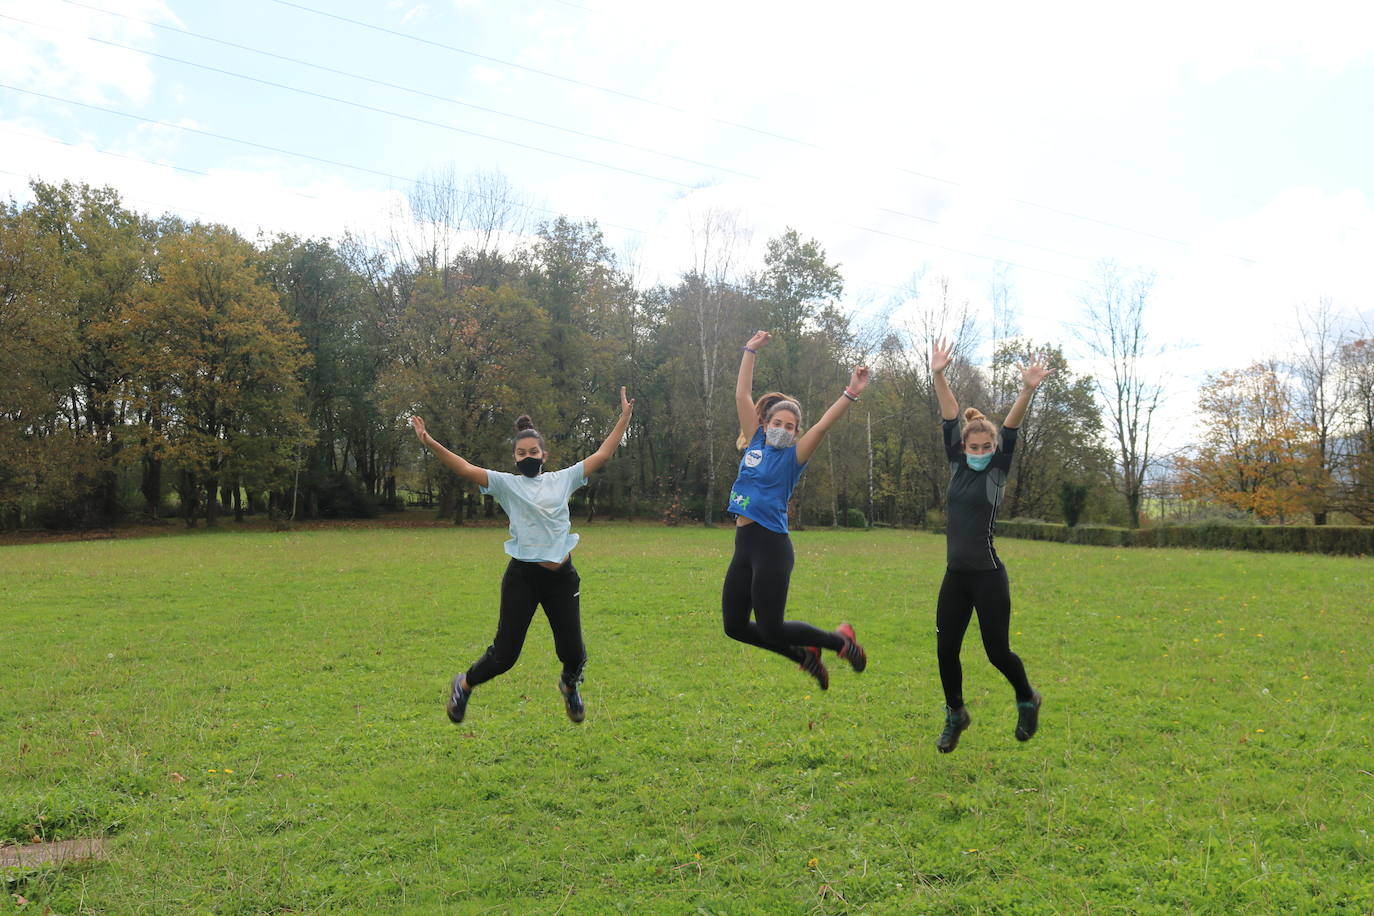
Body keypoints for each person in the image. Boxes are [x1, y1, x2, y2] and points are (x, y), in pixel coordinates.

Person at [409, 388, 635, 725]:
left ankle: (569, 685)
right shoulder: (506, 484)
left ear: (543, 454)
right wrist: (429, 442)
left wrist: (623, 420)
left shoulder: (564, 478)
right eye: (520, 452)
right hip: (523, 578)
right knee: (505, 655)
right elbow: (465, 467)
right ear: (515, 458)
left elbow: (603, 454)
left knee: (574, 653)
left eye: (533, 451)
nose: (527, 455)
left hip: (561, 578)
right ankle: (464, 684)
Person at [721, 330, 870, 690]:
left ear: (795, 431)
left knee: (772, 626)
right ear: (765, 424)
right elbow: (742, 394)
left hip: (772, 546)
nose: (783, 430)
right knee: (735, 627)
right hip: (744, 545)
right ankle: (804, 655)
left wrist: (851, 392)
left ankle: (841, 641)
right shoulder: (754, 441)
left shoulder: (794, 457)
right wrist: (749, 350)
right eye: (777, 424)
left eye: (790, 426)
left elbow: (822, 426)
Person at [929, 338, 1050, 752]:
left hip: (988, 576)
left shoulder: (997, 469)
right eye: (973, 447)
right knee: (946, 650)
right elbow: (949, 412)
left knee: (998, 652)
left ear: (994, 449)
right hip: (955, 577)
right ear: (964, 448)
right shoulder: (958, 464)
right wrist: (939, 374)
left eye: (985, 447)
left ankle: (1026, 697)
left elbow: (1012, 425)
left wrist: (1027, 390)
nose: (979, 452)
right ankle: (955, 714)